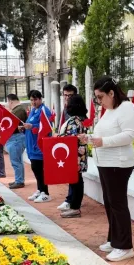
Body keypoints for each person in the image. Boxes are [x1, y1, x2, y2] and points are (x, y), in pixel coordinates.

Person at [80, 76, 134, 262]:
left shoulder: (126, 108)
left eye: (100, 97)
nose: (99, 101)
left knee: (118, 204)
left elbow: (130, 135)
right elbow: (103, 135)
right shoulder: (109, 110)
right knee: (110, 202)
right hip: (105, 163)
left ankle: (125, 246)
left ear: (112, 93)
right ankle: (114, 239)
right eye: (97, 97)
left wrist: (102, 142)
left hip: (118, 164)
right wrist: (89, 138)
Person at [58, 94, 88, 218]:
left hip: (74, 157)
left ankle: (75, 207)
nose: (66, 104)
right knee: (75, 181)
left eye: (68, 102)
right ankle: (74, 206)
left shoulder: (74, 121)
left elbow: (70, 140)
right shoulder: (77, 120)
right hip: (75, 157)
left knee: (76, 182)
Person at [24, 90, 52, 203]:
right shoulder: (33, 111)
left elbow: (46, 127)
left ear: (40, 99)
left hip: (39, 146)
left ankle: (45, 193)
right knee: (35, 169)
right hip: (31, 145)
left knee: (39, 169)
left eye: (35, 99)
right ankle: (40, 190)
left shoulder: (44, 110)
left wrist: (32, 126)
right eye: (31, 100)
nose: (33, 102)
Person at [58, 84, 79, 212]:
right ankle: (70, 199)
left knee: (76, 177)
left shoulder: (77, 108)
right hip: (66, 146)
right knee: (70, 175)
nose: (67, 98)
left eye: (70, 95)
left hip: (74, 147)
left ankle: (74, 202)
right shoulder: (65, 109)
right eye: (65, 95)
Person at [6, 94, 28, 189]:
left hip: (16, 138)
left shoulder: (19, 110)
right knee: (17, 160)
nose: (8, 104)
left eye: (8, 102)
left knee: (16, 161)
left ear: (10, 101)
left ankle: (19, 181)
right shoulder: (18, 110)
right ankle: (18, 179)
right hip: (15, 138)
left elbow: (11, 123)